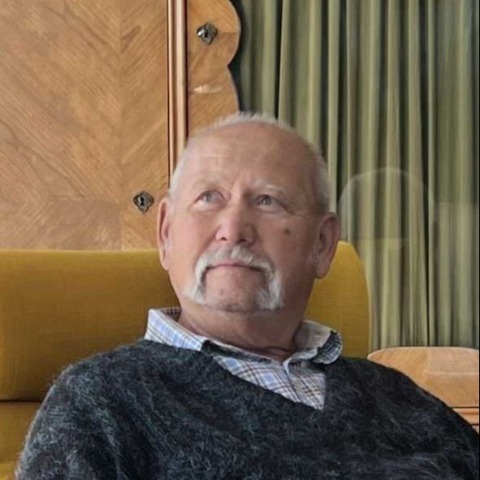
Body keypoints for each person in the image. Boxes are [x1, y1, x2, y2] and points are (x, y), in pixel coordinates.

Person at [17, 114, 478, 480]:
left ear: (322, 244)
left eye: (267, 201)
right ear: (166, 233)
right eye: (208, 198)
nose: (233, 229)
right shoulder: (99, 402)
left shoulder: (397, 397)